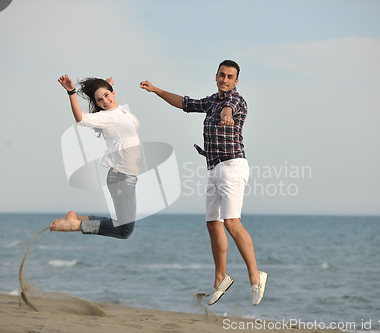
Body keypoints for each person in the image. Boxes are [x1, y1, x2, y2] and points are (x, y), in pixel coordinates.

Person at [140, 60, 267, 306]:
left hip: (233, 166)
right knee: (212, 223)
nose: (225, 80)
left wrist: (227, 115)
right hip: (214, 168)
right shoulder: (211, 101)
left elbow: (228, 109)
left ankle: (256, 275)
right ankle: (220, 278)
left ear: (236, 81)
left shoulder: (236, 101)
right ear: (216, 75)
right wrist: (156, 90)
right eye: (222, 75)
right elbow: (185, 103)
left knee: (232, 222)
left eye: (230, 77)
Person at [51, 74, 141, 239]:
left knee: (121, 225)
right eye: (99, 100)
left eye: (106, 96)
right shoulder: (106, 116)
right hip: (121, 177)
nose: (104, 101)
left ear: (113, 92)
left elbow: (110, 99)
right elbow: (80, 118)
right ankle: (77, 225)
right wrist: (72, 93)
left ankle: (75, 218)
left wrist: (106, 86)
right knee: (124, 230)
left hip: (127, 178)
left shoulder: (120, 111)